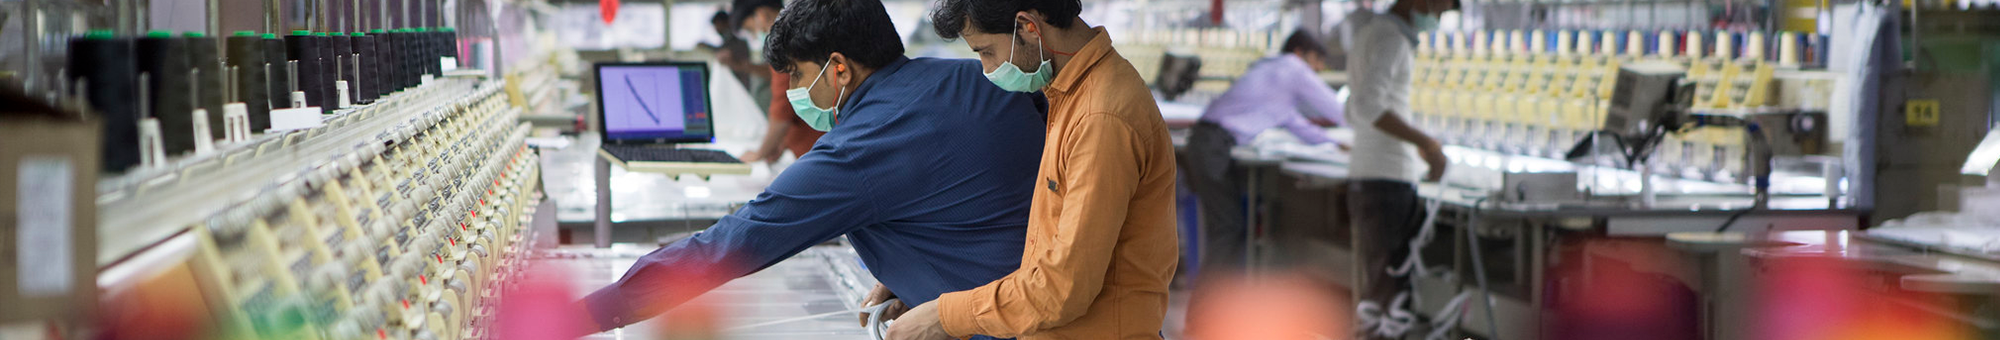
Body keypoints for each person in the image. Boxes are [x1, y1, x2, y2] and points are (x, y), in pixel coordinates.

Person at [572, 0, 1051, 335]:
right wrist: (914, 272)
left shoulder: (860, 148)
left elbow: (730, 244)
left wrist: (577, 317)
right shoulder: (974, 77)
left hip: (998, 328)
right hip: (1052, 306)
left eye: (797, 75)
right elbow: (978, 199)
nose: (796, 91)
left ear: (838, 68)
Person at [888, 0, 1179, 339]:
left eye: (986, 52)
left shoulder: (1100, 118)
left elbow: (1063, 287)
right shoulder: (1070, 94)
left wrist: (943, 317)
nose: (987, 68)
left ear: (1028, 26)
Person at [1181, 29, 1348, 276]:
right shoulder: (1293, 67)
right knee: (1227, 229)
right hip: (1212, 145)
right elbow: (1336, 109)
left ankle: (1219, 305)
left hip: (1207, 142)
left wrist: (1336, 143)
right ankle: (1209, 309)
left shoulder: (1272, 74)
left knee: (1229, 228)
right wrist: (1374, 126)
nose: (1319, 69)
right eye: (1317, 61)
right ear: (1300, 53)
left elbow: (1295, 123)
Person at [1343, 0, 1454, 337]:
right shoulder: (1393, 40)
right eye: (1438, 9)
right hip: (1386, 179)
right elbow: (1366, 105)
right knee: (1389, 294)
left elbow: (1351, 109)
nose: (1436, 18)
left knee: (1379, 286)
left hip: (1368, 173)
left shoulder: (1369, 34)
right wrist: (1427, 144)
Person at [731, 0, 826, 164]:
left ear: (762, 15)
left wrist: (760, 153)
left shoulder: (785, 47)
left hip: (815, 151)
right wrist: (782, 142)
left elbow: (782, 112)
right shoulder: (801, 35)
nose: (756, 34)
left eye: (750, 29)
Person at [707, 10, 757, 107]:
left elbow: (728, 54)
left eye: (718, 25)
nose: (716, 29)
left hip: (740, 87)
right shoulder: (729, 43)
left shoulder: (738, 43)